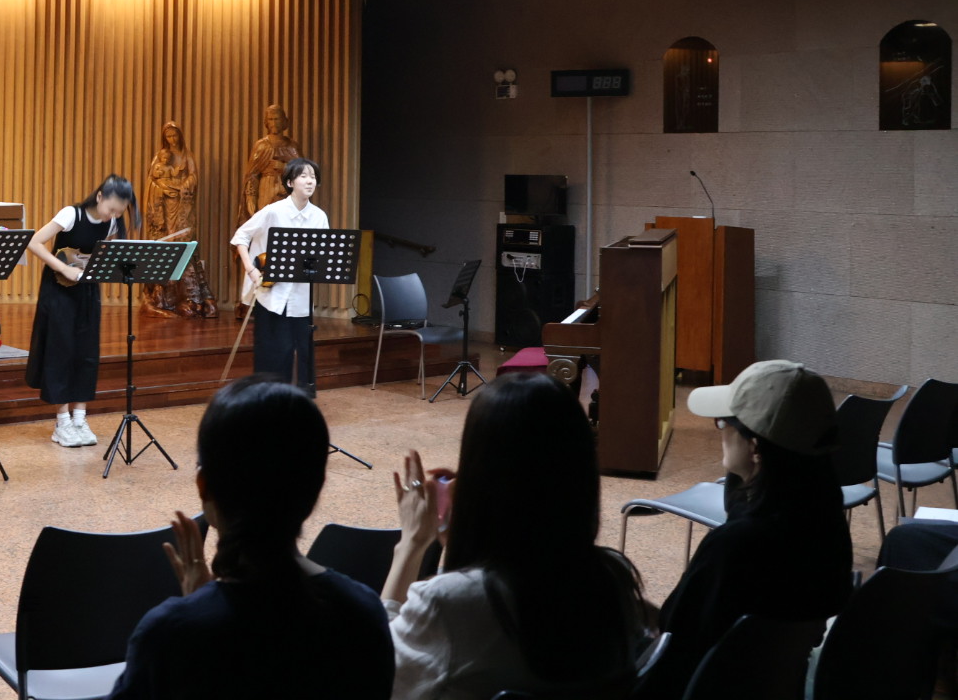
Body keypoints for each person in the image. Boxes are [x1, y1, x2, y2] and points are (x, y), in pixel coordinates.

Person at [109, 377, 392, 699]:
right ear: (317, 487)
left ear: (203, 485)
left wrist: (196, 608)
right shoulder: (363, 613)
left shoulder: (169, 633)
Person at [383, 373, 651, 699]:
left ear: (479, 477)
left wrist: (411, 544)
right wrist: (462, 535)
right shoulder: (614, 581)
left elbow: (373, 673)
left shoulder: (447, 603)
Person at [656, 359, 853, 690]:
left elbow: (674, 642)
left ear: (755, 447)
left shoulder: (734, 546)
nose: (719, 428)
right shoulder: (827, 524)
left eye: (725, 422)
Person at [25, 174, 137, 447]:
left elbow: (102, 254)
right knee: (61, 350)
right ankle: (62, 422)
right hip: (59, 289)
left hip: (86, 289)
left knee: (87, 352)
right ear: (99, 197)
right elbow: (34, 242)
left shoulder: (111, 221)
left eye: (119, 212)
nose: (114, 215)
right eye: (111, 209)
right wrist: (64, 268)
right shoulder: (71, 214)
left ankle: (79, 418)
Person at [230, 157, 326, 395]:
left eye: (313, 177)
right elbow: (241, 236)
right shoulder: (273, 211)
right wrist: (251, 270)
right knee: (273, 350)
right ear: (290, 182)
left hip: (302, 295)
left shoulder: (319, 216)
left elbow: (323, 254)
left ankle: (302, 397)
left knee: (304, 350)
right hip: (272, 292)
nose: (310, 181)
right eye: (303, 176)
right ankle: (268, 396)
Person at [141, 120, 217, 319]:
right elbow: (151, 181)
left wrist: (183, 186)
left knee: (183, 242)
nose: (172, 139)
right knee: (165, 243)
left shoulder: (187, 155)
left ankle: (190, 296)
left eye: (174, 135)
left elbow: (193, 177)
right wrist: (163, 190)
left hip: (181, 203)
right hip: (164, 205)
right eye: (168, 136)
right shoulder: (159, 156)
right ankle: (161, 296)